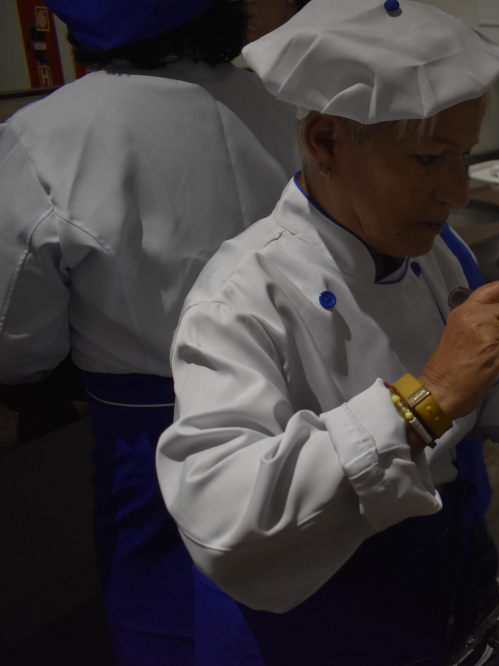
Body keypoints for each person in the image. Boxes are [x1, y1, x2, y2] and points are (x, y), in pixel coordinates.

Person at [154, 1, 499, 663]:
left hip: (428, 578)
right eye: (427, 159)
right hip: (314, 619)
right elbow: (220, 521)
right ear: (325, 142)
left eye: (463, 156)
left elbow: (477, 391)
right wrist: (423, 401)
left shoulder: (434, 253)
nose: (457, 191)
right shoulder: (241, 298)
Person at [0, 1, 303, 663]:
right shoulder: (289, 108)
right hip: (297, 403)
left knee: (169, 625)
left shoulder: (46, 136)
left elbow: (16, 345)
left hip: (152, 436)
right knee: (295, 601)